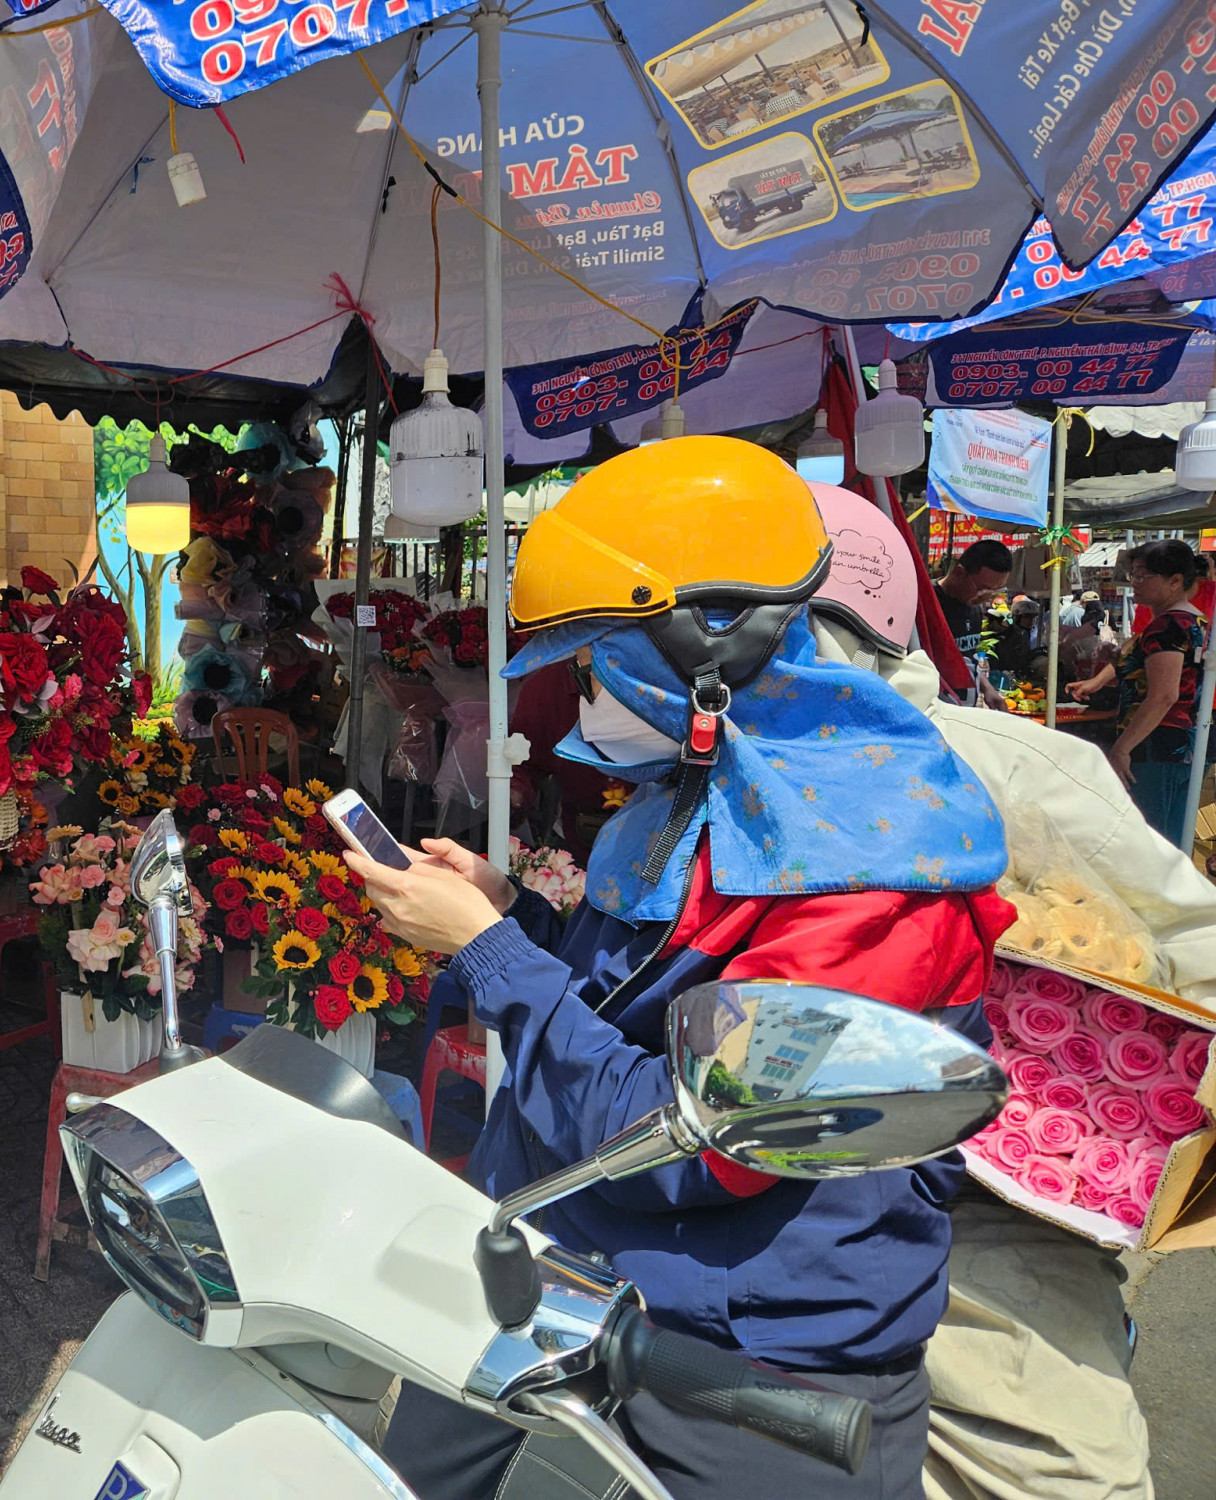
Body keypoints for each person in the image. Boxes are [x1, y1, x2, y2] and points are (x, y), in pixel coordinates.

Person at [360, 439, 1013, 1500]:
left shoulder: (862, 875)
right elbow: (632, 1008)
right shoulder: (696, 801)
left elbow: (693, 1145)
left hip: (749, 1364)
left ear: (695, 662)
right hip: (585, 1282)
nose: (572, 702)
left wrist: (490, 953)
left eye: (592, 665)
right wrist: (506, 913)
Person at [804, 481, 1216, 1500]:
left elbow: (1186, 961)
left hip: (998, 1213)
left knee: (1046, 1462)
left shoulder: (1013, 768)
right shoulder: (702, 778)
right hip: (827, 1213)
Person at [1071, 539, 1208, 837]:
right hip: (1183, 747)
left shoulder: (1169, 625)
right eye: (1133, 574)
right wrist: (1100, 679)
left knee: (1151, 840)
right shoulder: (1194, 619)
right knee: (1171, 839)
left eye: (1143, 575)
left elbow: (1163, 696)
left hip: (1156, 745)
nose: (1135, 582)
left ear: (1175, 581)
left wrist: (1122, 748)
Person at [936, 539, 1013, 709]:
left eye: (993, 592)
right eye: (982, 589)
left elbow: (967, 658)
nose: (985, 598)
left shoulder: (974, 607)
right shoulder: (929, 603)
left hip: (964, 709)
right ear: (959, 573)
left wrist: (988, 690)